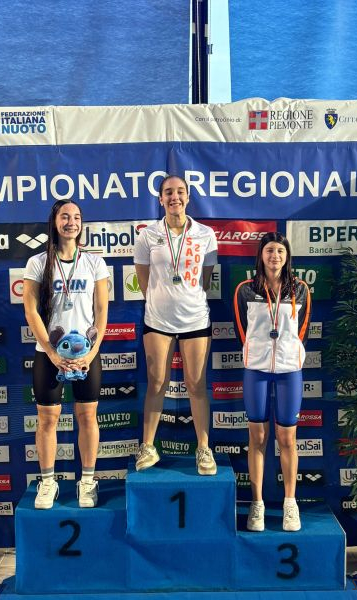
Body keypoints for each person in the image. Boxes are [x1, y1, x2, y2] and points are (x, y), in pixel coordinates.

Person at [23, 200, 109, 509]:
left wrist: (92, 352)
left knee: (87, 416)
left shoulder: (94, 262)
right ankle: (48, 482)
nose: (71, 222)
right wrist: (51, 352)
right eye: (65, 216)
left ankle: (87, 481)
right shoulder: (37, 262)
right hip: (49, 354)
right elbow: (30, 310)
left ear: (81, 224)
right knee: (48, 419)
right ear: (55, 222)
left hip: (87, 355)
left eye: (76, 217)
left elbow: (102, 311)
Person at [133, 175, 218, 475]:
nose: (174, 197)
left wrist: (184, 299)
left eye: (180, 192)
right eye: (168, 192)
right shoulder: (147, 235)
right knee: (156, 382)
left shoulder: (206, 234)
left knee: (196, 384)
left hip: (195, 319)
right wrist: (162, 302)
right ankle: (148, 446)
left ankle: (203, 448)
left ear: (188, 197)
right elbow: (144, 280)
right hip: (157, 320)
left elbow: (205, 280)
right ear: (160, 199)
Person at [233, 232, 311, 531]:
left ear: (287, 255)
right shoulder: (245, 290)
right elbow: (242, 329)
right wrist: (255, 354)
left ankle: (290, 504)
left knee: (287, 439)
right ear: (261, 255)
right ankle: (257, 504)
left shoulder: (300, 289)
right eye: (269, 250)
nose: (274, 256)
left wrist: (291, 353)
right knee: (257, 438)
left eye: (280, 250)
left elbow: (303, 329)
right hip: (256, 370)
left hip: (290, 370)